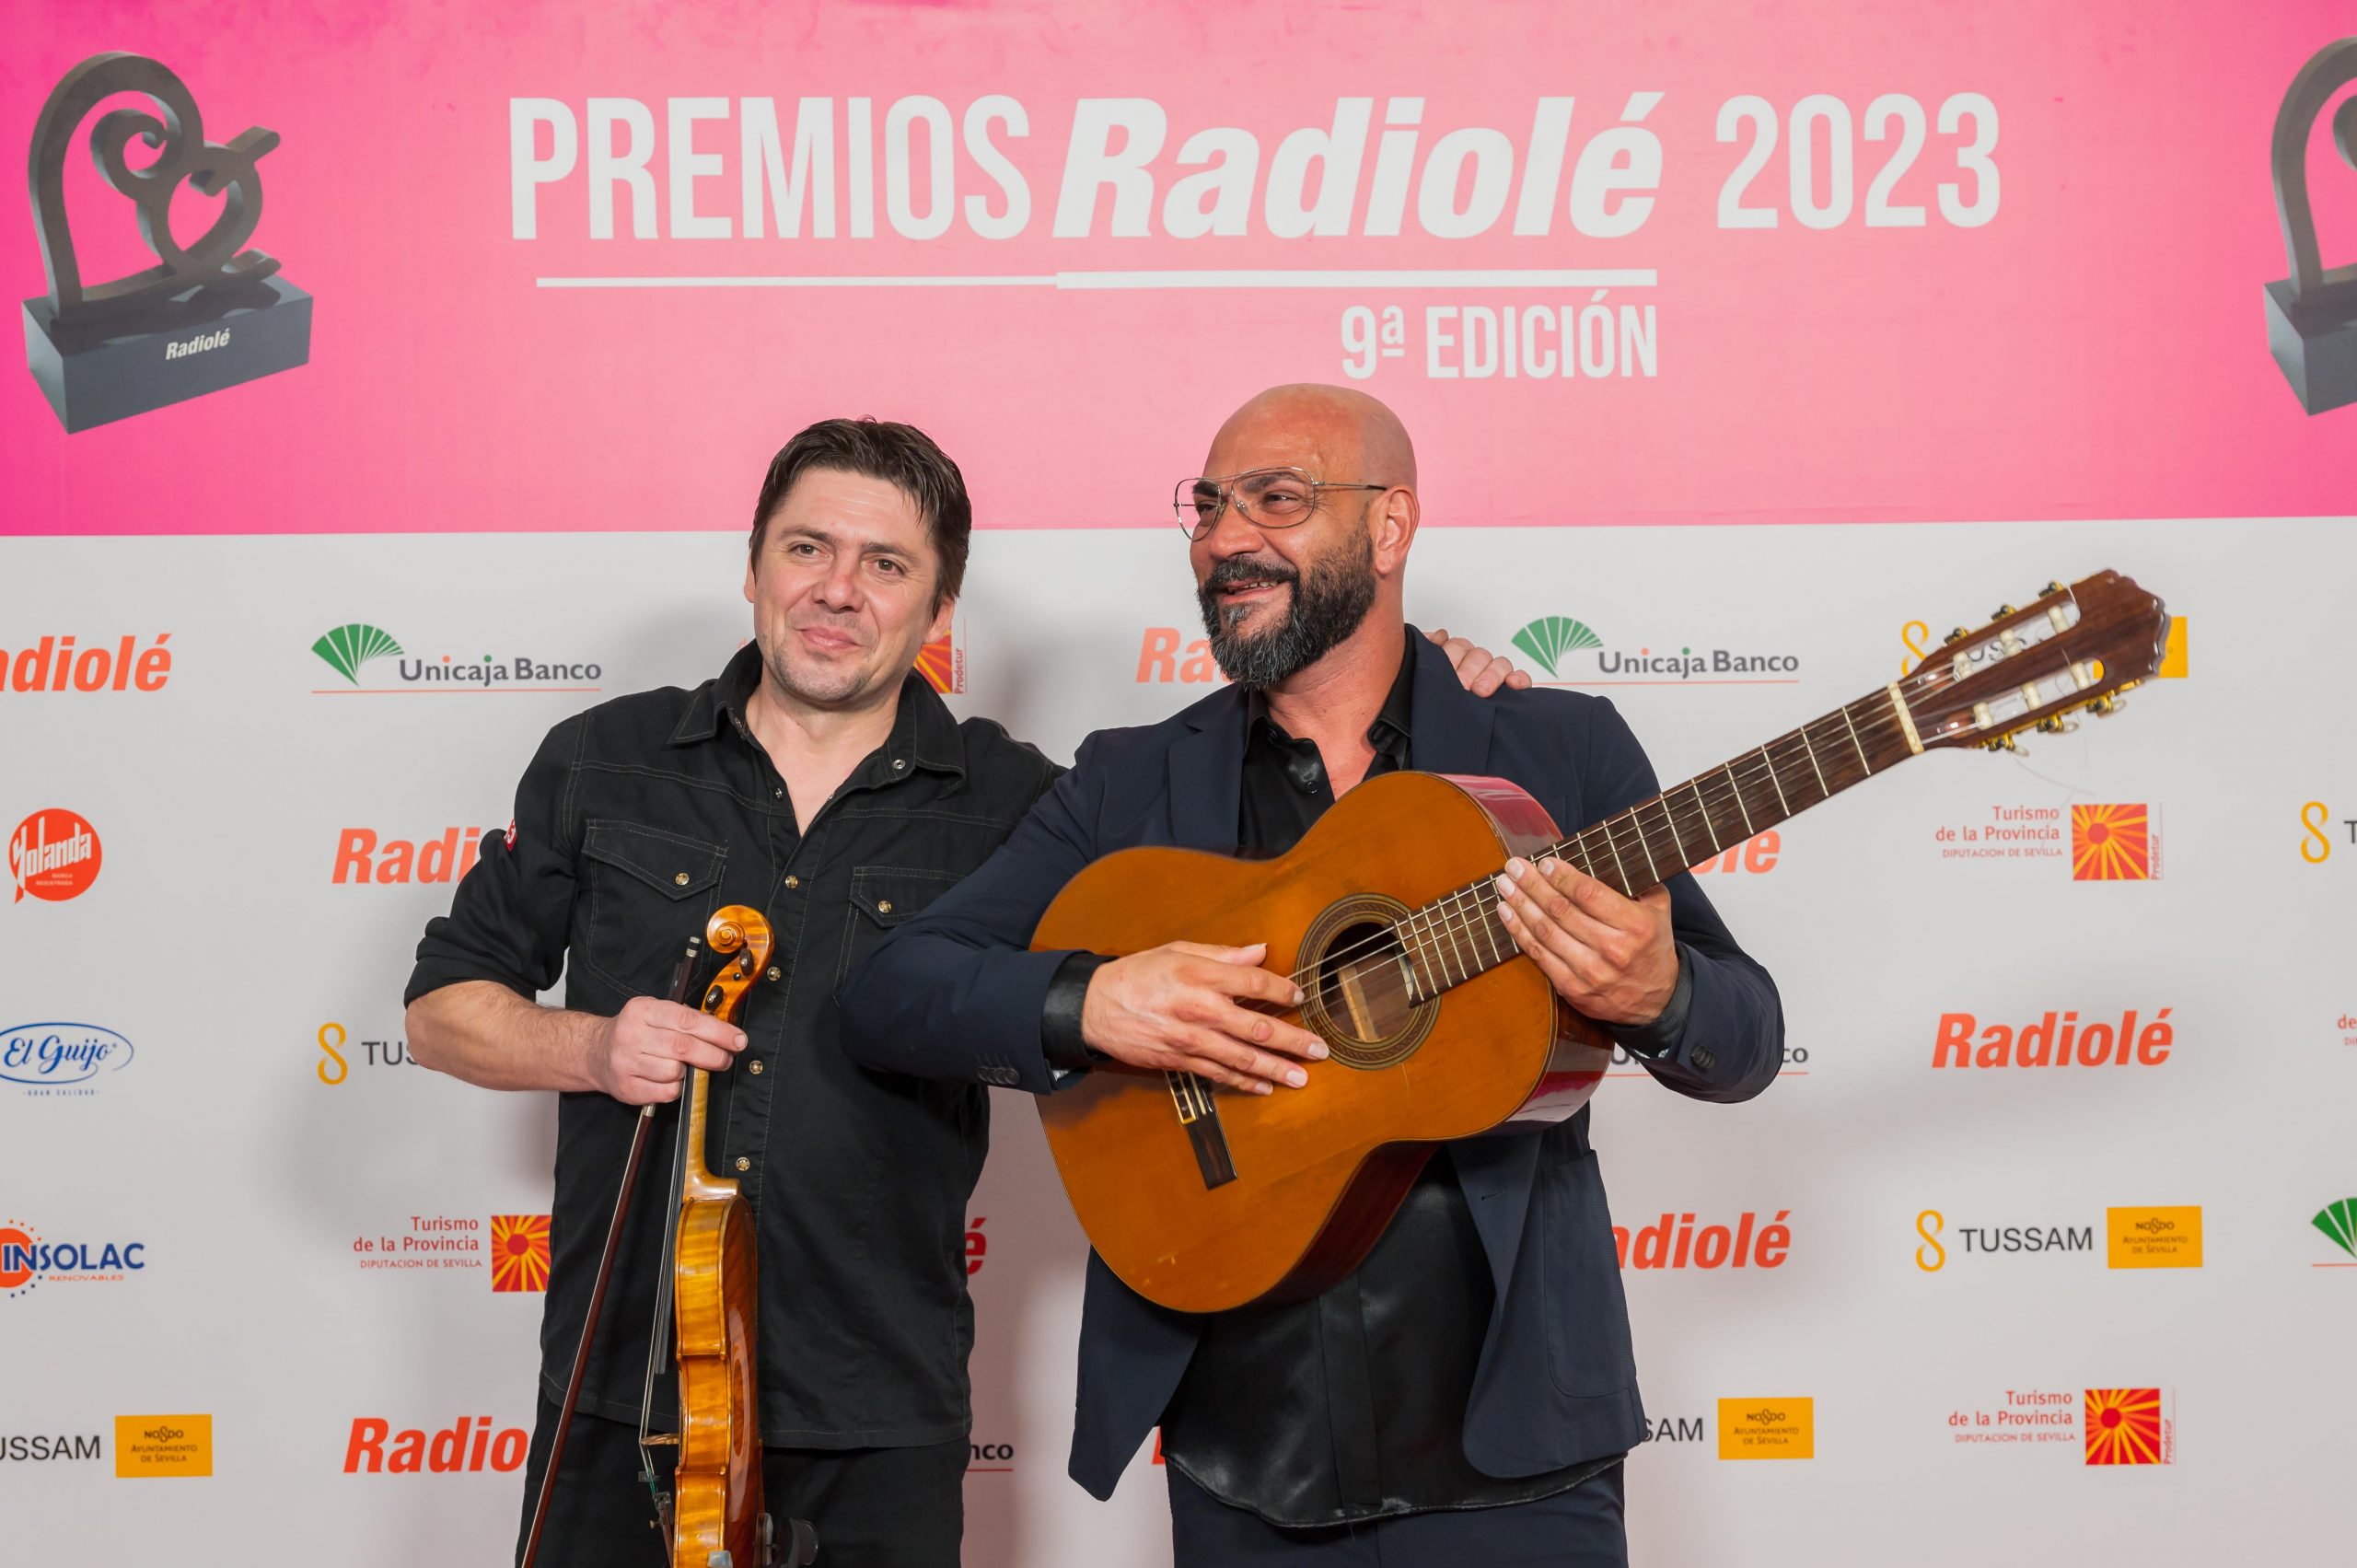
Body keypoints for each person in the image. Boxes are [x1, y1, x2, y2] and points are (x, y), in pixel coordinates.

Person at [401, 413, 1530, 1568]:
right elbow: (440, 1007)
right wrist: (592, 1047)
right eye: (806, 548)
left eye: (886, 564)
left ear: (940, 612)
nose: (837, 590)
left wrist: (1421, 682)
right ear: (752, 566)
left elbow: (1258, 922)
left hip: (881, 1409)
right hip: (623, 1390)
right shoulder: (602, 759)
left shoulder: (1018, 800)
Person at [841, 385, 1784, 1566]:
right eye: (1208, 507)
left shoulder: (1552, 748)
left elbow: (1745, 1033)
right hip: (1245, 1461)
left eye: (1277, 499)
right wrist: (1094, 1001)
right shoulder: (1129, 781)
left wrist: (1662, 995)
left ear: (1390, 527)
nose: (1226, 538)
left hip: (1520, 1463)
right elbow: (894, 991)